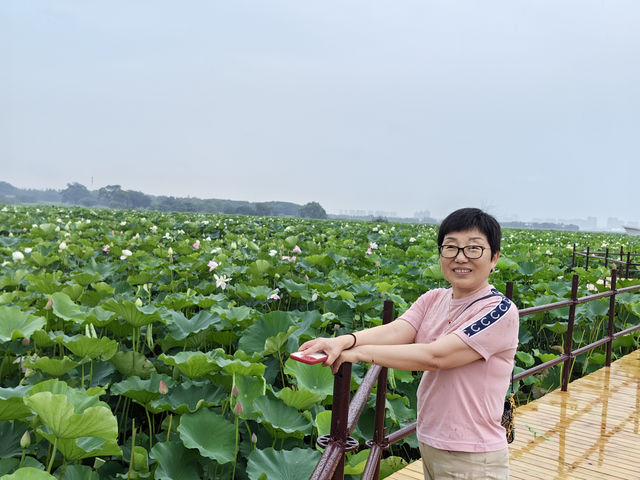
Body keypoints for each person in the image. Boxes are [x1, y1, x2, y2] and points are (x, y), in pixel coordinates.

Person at [297, 208, 519, 480]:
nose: (460, 257)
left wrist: (359, 354)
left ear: (494, 258)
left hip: (472, 455)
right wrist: (343, 341)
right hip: (432, 442)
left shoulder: (499, 311)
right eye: (450, 247)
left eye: (474, 249)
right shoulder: (434, 298)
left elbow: (435, 356)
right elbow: (399, 330)